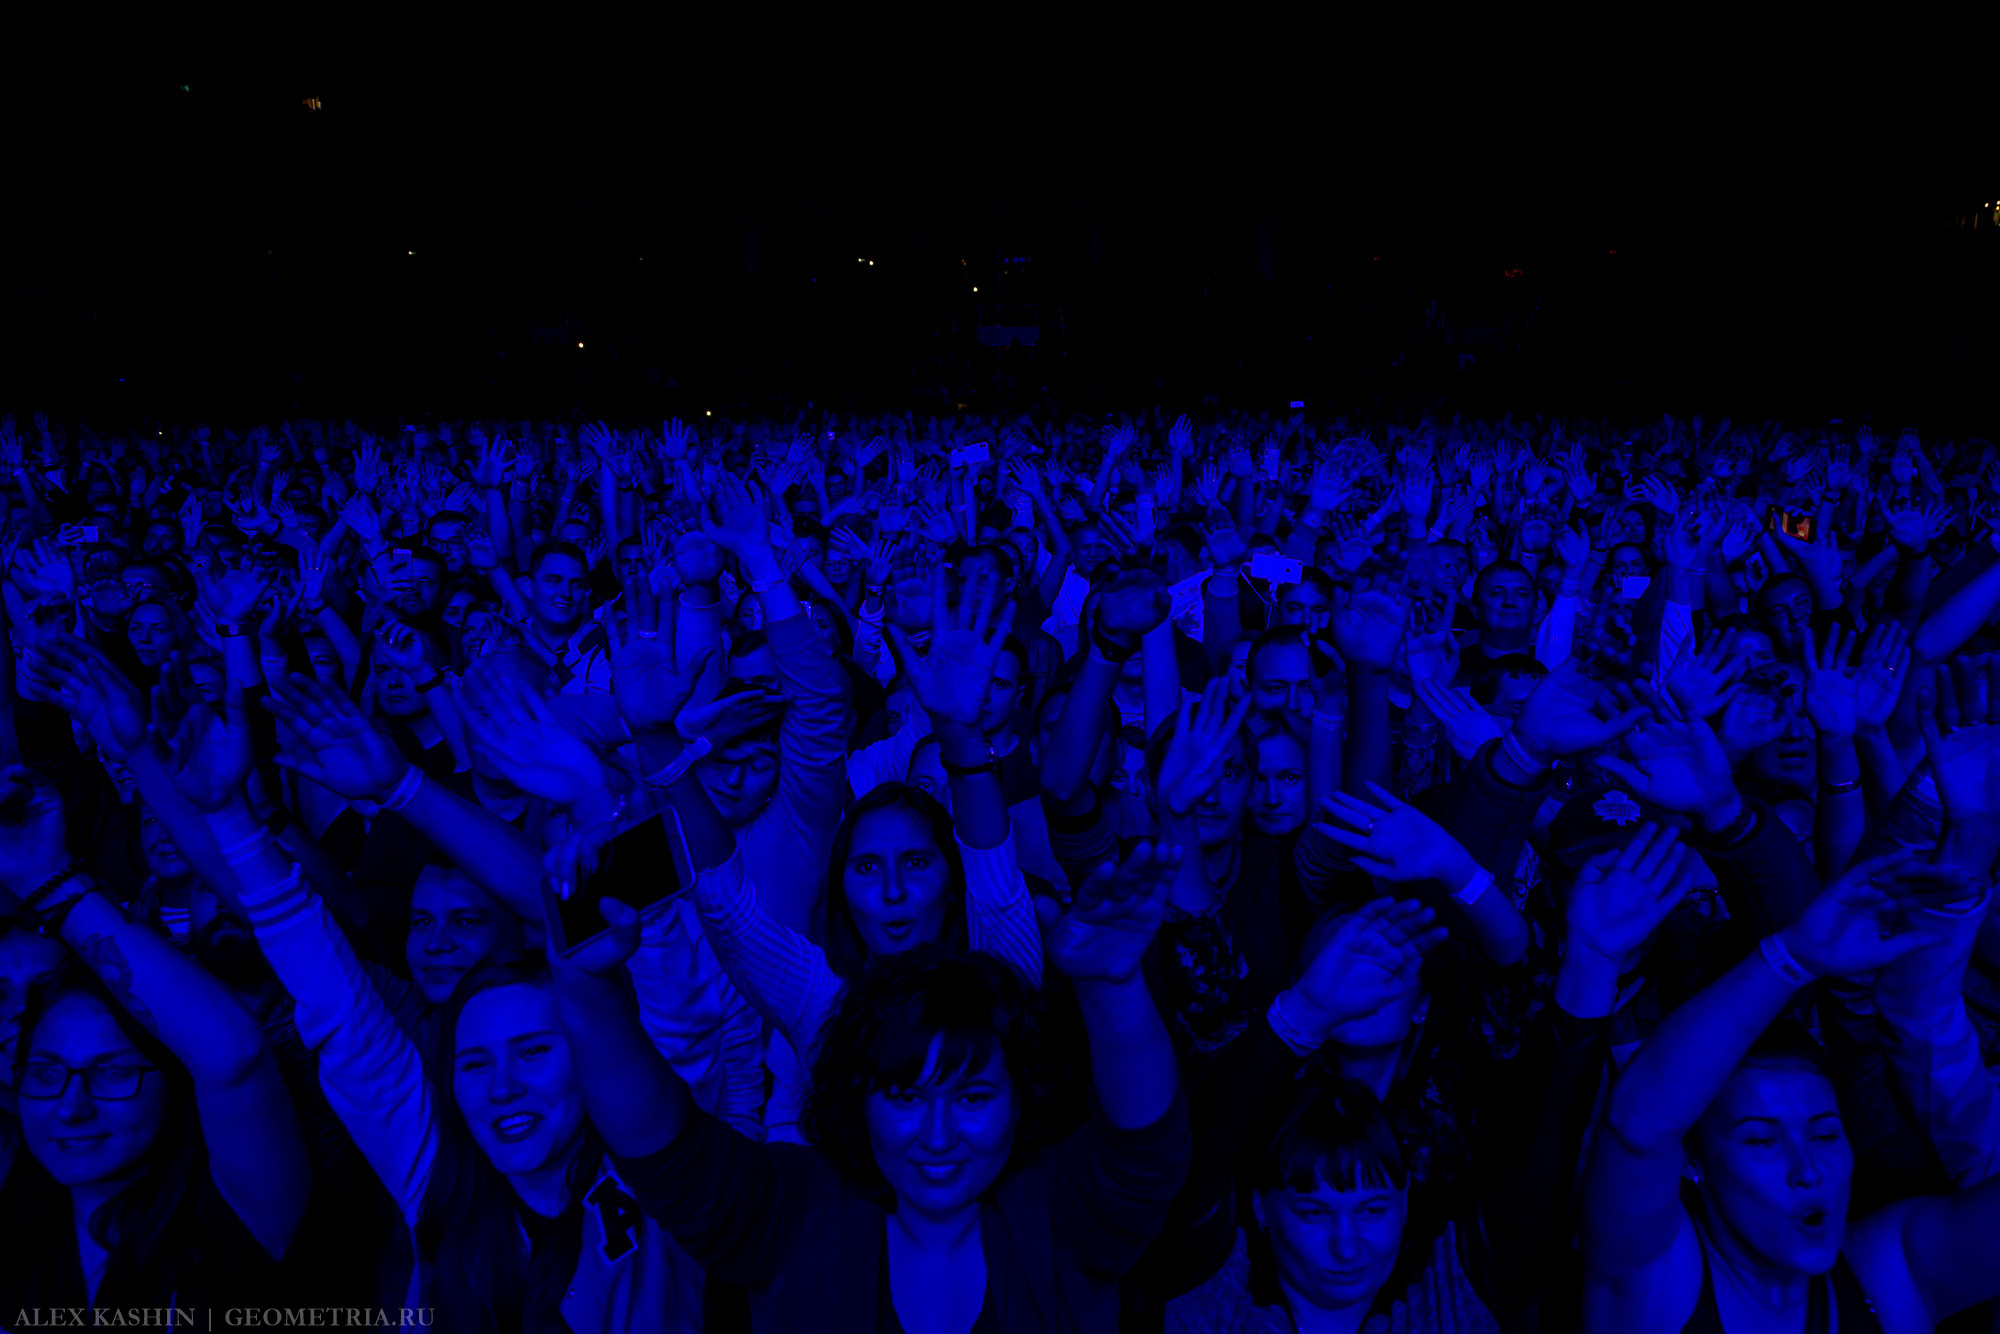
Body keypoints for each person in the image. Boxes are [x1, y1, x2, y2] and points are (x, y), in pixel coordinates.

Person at [547, 840, 1192, 1334]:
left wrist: (1112, 984)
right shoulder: (797, 1211)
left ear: (1019, 1098)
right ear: (859, 1098)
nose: (938, 1138)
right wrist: (586, 989)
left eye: (971, 1097)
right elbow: (669, 1157)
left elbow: (1146, 1153)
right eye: (906, 1097)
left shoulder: (1058, 1211)